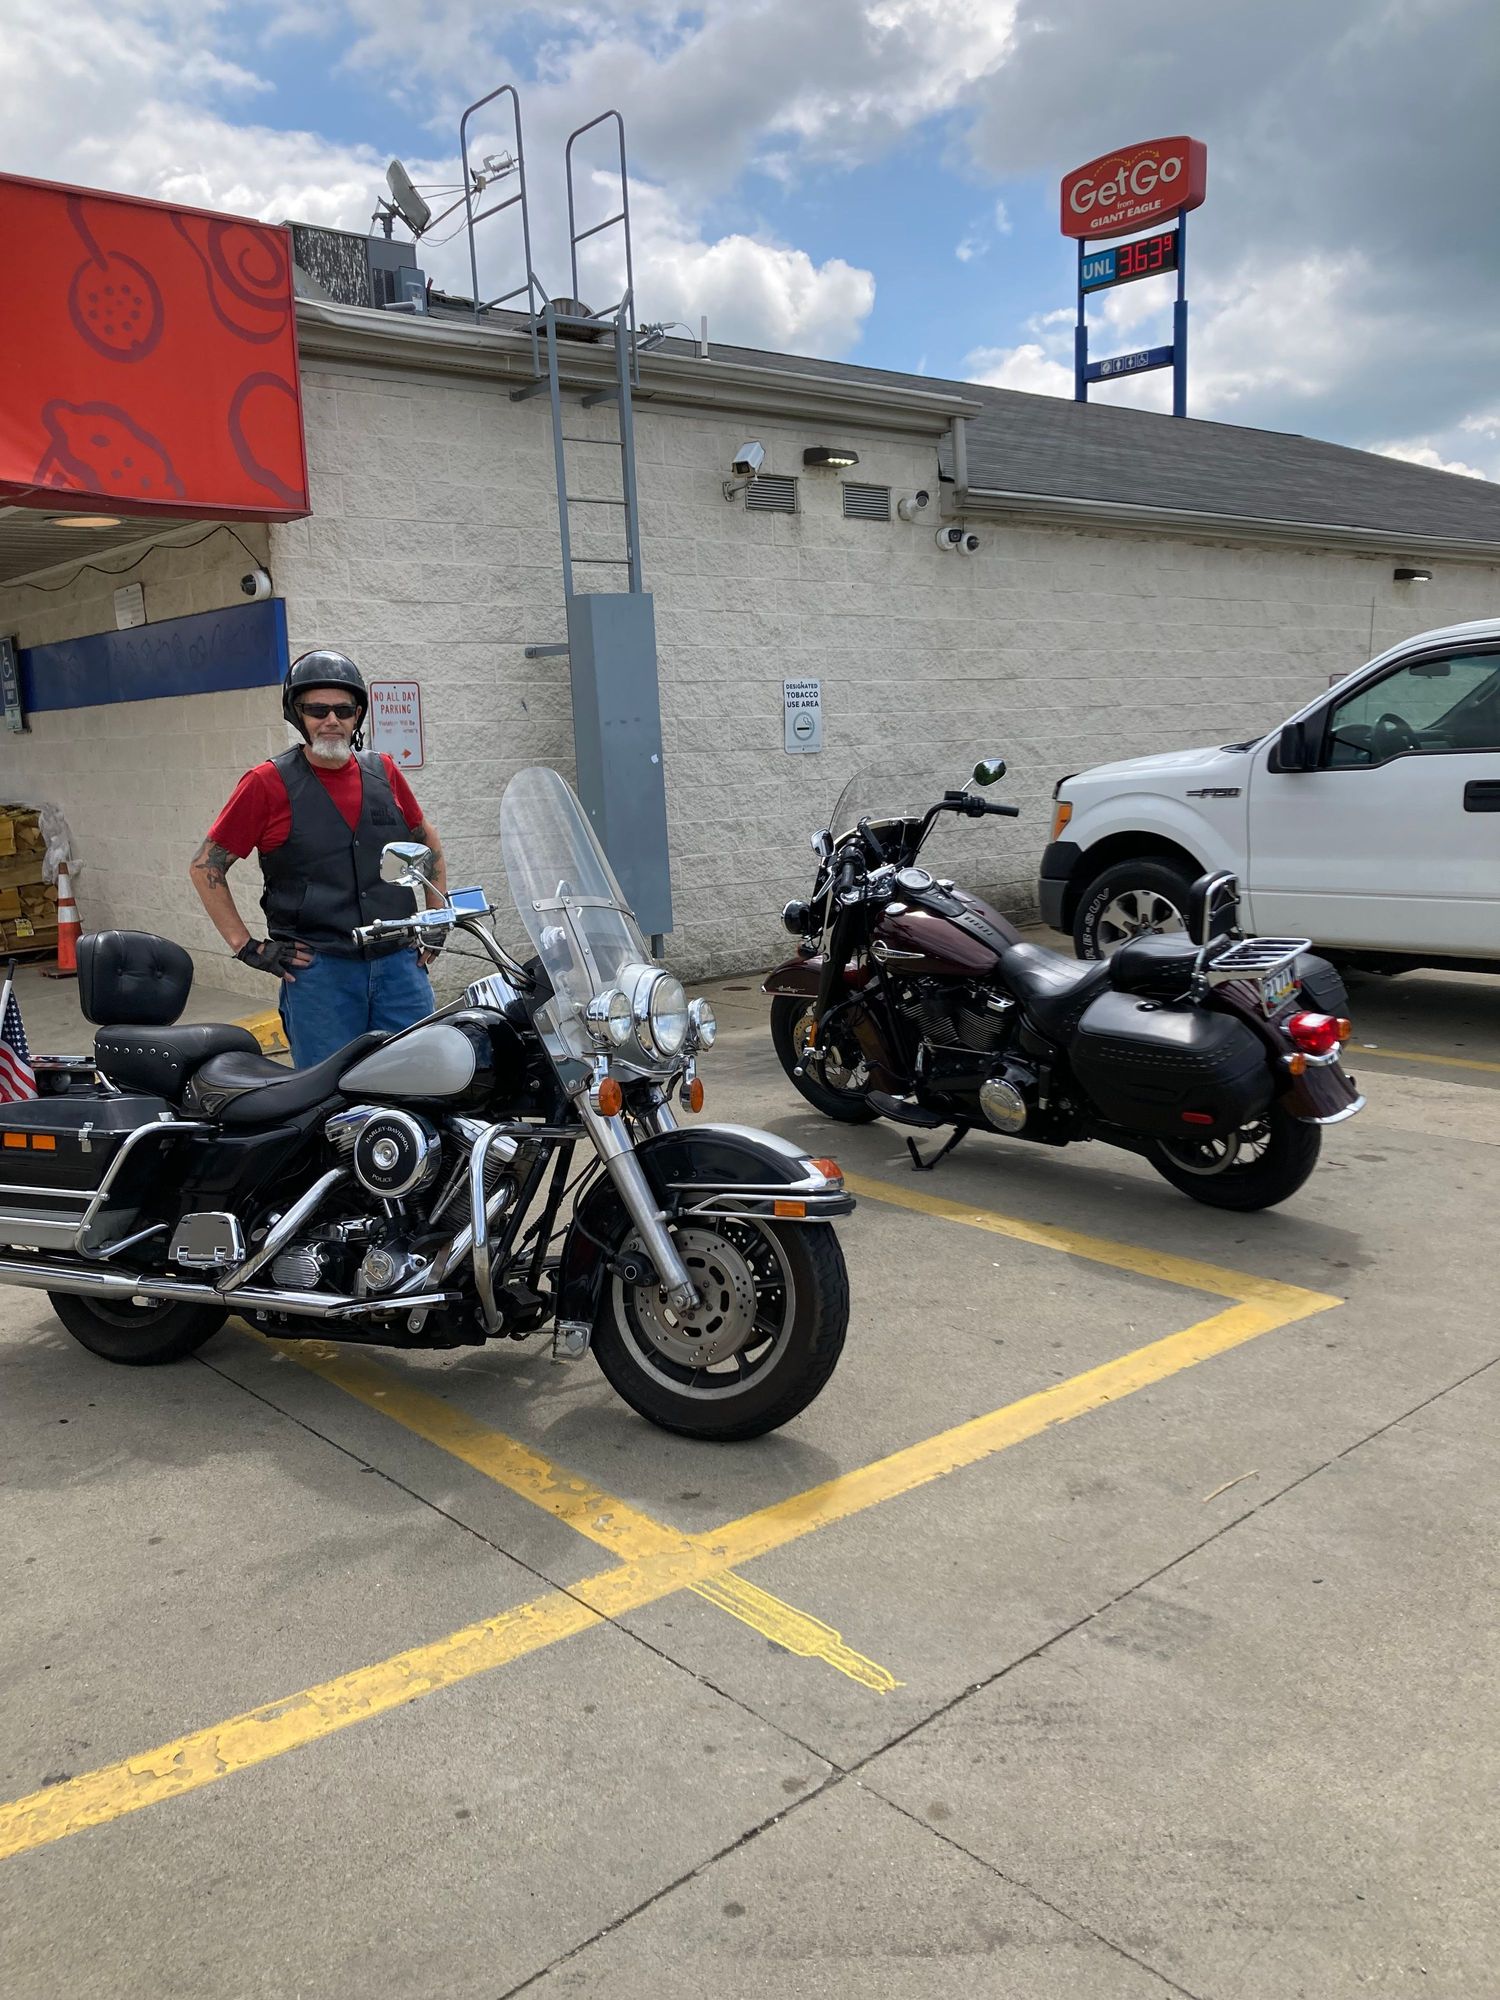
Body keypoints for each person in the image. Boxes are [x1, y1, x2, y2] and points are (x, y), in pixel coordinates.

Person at [189, 649, 447, 1067]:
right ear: (298, 714)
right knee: (328, 1089)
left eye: (343, 710)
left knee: (418, 1076)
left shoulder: (383, 771)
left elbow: (426, 837)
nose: (331, 720)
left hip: (400, 966)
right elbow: (206, 866)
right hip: (320, 973)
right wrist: (246, 946)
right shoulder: (267, 783)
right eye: (317, 710)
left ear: (357, 715)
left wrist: (437, 915)